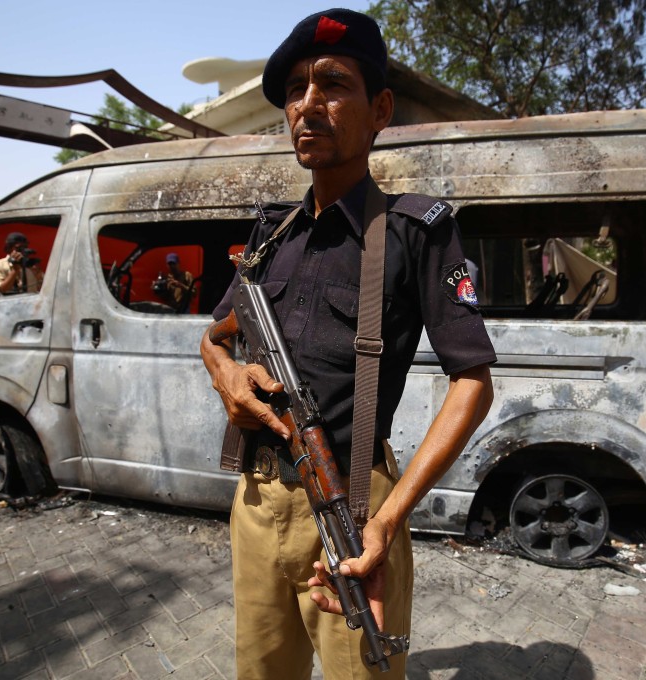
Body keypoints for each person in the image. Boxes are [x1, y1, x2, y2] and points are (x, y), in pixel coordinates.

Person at [199, 9, 495, 679]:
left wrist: (388, 521)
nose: (308, 105)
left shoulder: (415, 231)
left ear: (380, 108)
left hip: (354, 508)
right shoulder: (271, 235)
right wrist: (226, 373)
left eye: (332, 84)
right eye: (296, 89)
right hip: (255, 500)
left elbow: (473, 383)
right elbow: (214, 335)